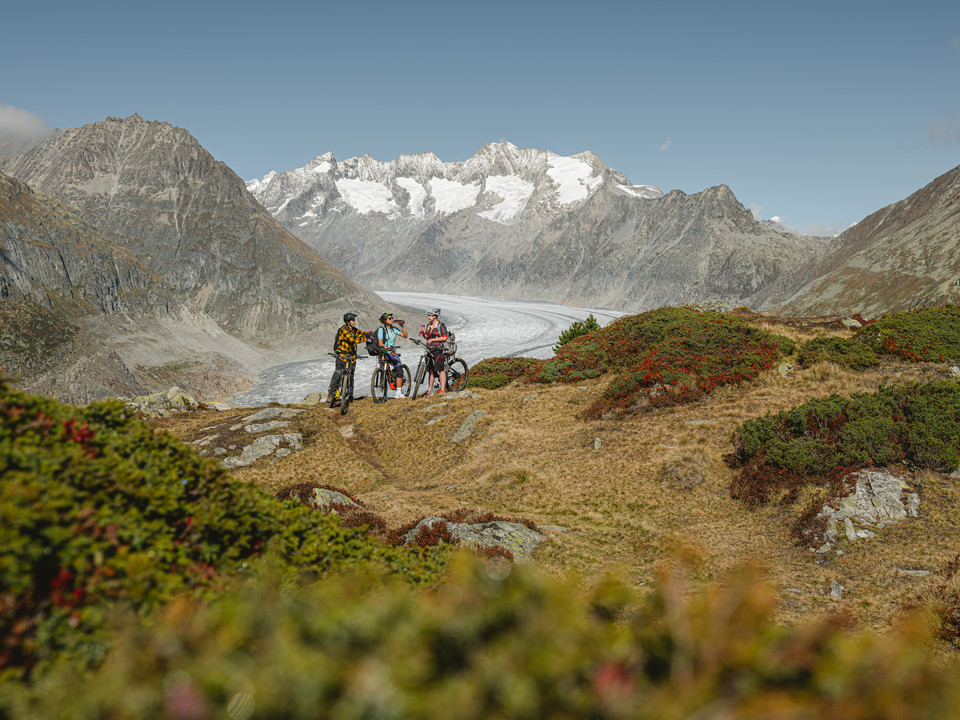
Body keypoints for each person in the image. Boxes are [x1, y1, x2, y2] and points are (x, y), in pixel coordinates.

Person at [327, 312, 370, 404]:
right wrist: (365, 339)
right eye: (353, 320)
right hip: (342, 355)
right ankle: (331, 394)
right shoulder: (344, 330)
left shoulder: (354, 330)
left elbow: (361, 333)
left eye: (354, 320)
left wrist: (371, 334)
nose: (354, 322)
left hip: (352, 357)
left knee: (351, 375)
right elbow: (352, 339)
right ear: (348, 322)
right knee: (338, 374)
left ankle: (350, 395)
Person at [375, 312, 408, 399]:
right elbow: (380, 343)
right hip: (384, 352)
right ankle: (384, 394)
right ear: (385, 321)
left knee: (399, 370)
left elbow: (405, 336)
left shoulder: (393, 329)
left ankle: (398, 392)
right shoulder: (381, 330)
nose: (392, 319)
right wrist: (388, 349)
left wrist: (401, 326)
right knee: (383, 372)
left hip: (392, 352)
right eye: (390, 318)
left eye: (392, 317)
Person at [419, 308, 448, 394]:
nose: (428, 317)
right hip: (429, 349)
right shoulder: (428, 326)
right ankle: (430, 389)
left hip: (438, 349)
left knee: (440, 369)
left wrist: (432, 340)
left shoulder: (441, 325)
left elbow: (445, 337)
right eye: (428, 315)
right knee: (431, 370)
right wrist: (423, 334)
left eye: (430, 315)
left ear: (435, 316)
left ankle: (442, 389)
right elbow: (428, 337)